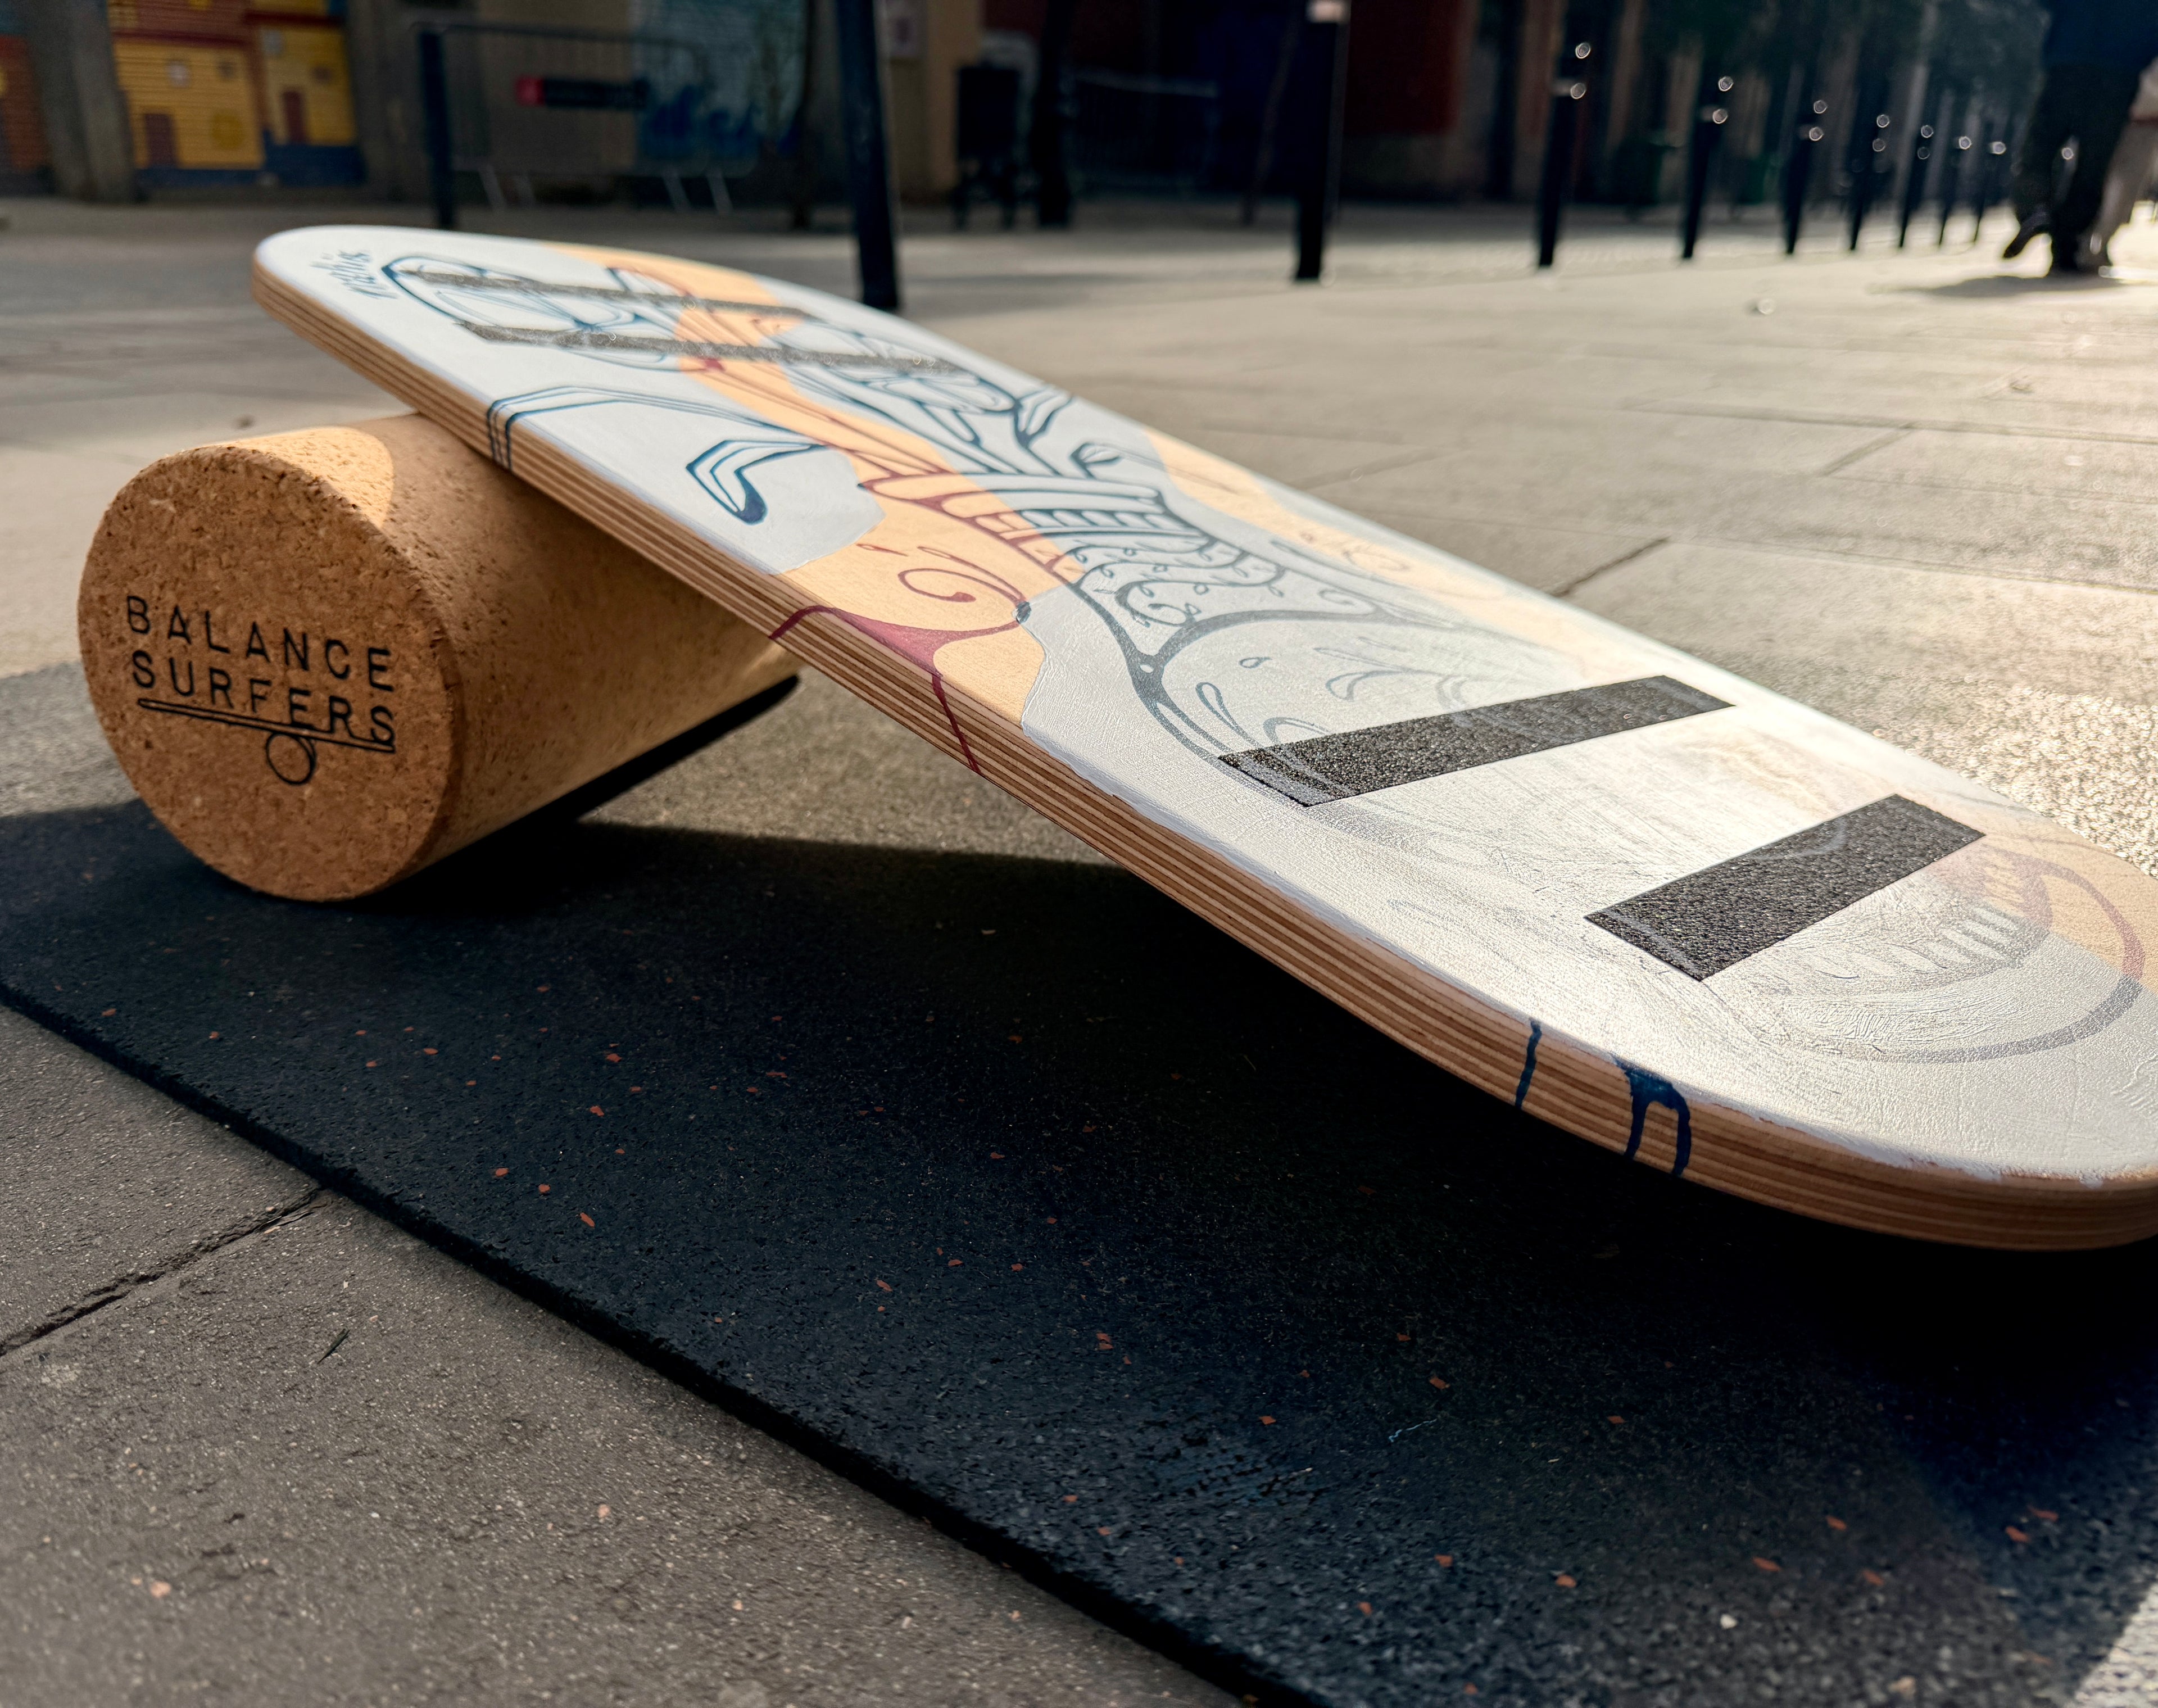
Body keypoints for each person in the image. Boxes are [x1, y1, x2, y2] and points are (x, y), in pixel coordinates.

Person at [2003, 0, 2158, 271]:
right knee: (2093, 165)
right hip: (2120, 71)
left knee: (2040, 147)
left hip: (2069, 60)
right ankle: (2067, 241)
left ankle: (2035, 209)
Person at [2084, 55, 2158, 266]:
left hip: (2147, 127)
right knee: (2104, 183)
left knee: (2127, 191)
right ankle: (2088, 241)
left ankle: (2103, 242)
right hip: (2120, 120)